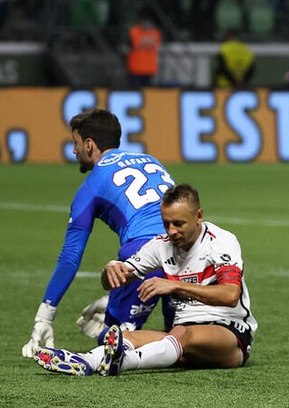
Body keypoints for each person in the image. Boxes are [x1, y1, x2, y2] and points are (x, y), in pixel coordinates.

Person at [33, 183, 257, 376]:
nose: (172, 231)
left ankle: (123, 363)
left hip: (231, 336)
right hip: (181, 337)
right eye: (166, 223)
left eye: (179, 223)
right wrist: (110, 270)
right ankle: (86, 361)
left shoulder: (220, 241)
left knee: (181, 334)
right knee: (124, 336)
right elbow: (113, 280)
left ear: (198, 216)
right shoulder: (161, 245)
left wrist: (175, 285)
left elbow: (230, 295)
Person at [22, 108, 175, 359]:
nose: (74, 151)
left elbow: (70, 256)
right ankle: (114, 304)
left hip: (143, 256)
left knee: (115, 344)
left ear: (90, 144)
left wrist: (44, 317)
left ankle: (101, 328)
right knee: (184, 335)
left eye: (76, 143)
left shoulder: (92, 185)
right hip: (189, 252)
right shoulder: (151, 160)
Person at [126, 7, 162, 87]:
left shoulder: (156, 33)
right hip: (135, 68)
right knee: (135, 91)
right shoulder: (133, 32)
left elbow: (158, 47)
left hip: (149, 68)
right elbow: (127, 47)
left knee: (147, 92)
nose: (146, 23)